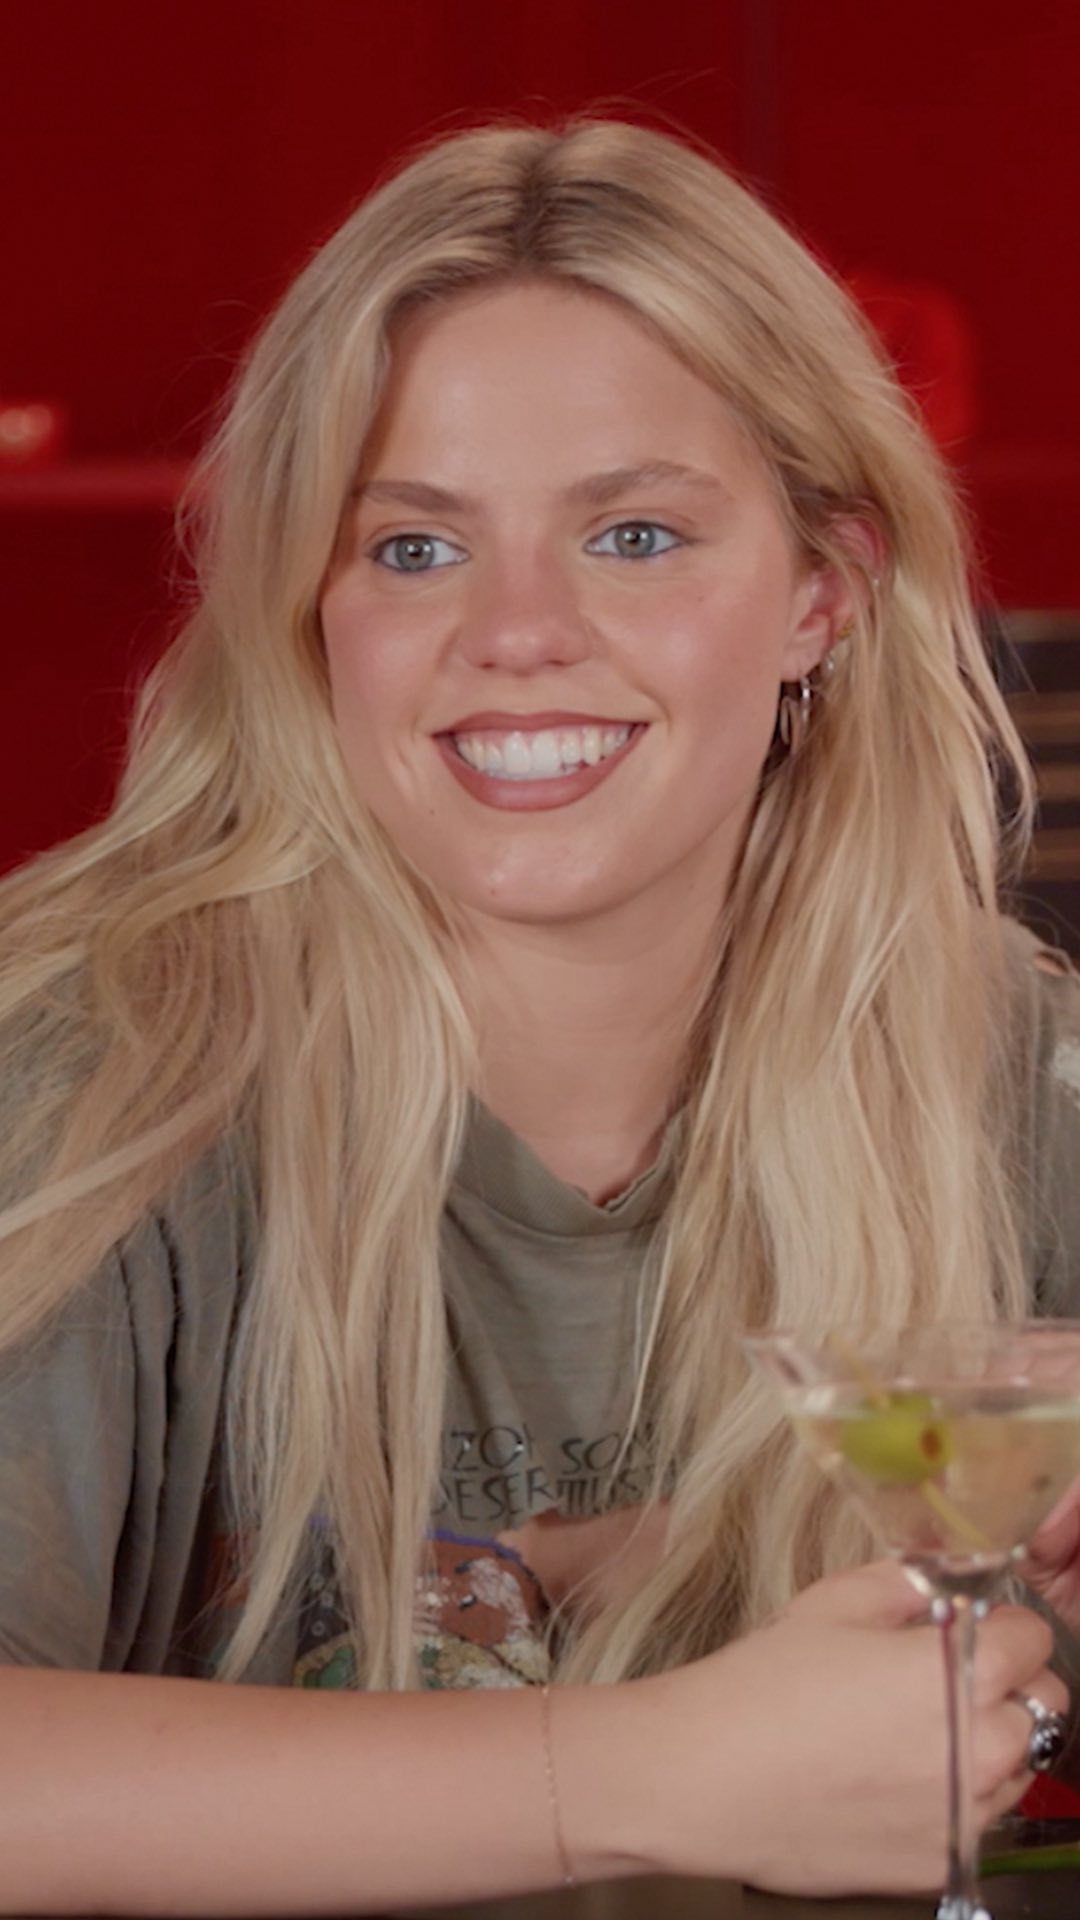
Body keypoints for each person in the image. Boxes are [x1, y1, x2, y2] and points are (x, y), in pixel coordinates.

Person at [0, 111, 1078, 1913]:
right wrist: (639, 1773)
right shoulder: (83, 1064)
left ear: (824, 593)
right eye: (413, 550)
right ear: (309, 611)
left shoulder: (1013, 1060)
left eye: (635, 535)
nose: (516, 631)